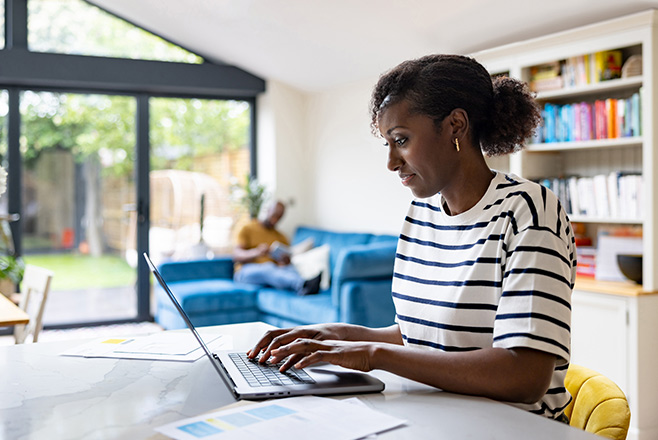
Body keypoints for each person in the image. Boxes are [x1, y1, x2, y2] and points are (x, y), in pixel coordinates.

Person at [247, 54, 576, 420]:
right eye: (388, 143)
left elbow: (524, 376)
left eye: (401, 140)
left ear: (455, 126)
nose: (391, 161)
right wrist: (334, 334)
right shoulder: (421, 214)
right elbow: (422, 338)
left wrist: (372, 355)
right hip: (436, 414)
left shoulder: (528, 210)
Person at [233, 200, 321, 295]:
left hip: (273, 271)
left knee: (288, 269)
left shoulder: (281, 237)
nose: (274, 220)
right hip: (245, 272)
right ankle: (303, 285)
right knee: (268, 268)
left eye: (279, 218)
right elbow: (236, 255)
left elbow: (283, 265)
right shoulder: (247, 228)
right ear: (268, 210)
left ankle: (305, 285)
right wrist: (256, 252)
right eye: (274, 215)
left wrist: (285, 261)